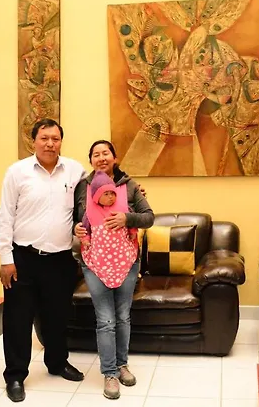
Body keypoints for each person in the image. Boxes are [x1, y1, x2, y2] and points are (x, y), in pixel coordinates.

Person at [0, 118, 86, 403]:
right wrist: (6, 259)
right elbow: (5, 216)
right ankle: (15, 376)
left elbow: (100, 190)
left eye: (55, 139)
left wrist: (133, 194)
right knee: (18, 320)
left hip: (60, 260)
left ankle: (57, 363)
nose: (50, 144)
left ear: (61, 142)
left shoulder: (75, 170)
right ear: (33, 141)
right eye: (44, 138)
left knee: (57, 317)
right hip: (23, 258)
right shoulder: (17, 172)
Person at [73, 140, 154, 400]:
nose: (101, 158)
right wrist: (76, 228)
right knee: (105, 319)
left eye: (105, 153)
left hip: (126, 261)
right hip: (94, 262)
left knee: (123, 316)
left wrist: (127, 218)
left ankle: (122, 365)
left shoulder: (129, 185)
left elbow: (149, 217)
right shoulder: (82, 187)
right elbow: (74, 218)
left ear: (114, 157)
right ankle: (109, 373)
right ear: (91, 160)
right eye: (95, 154)